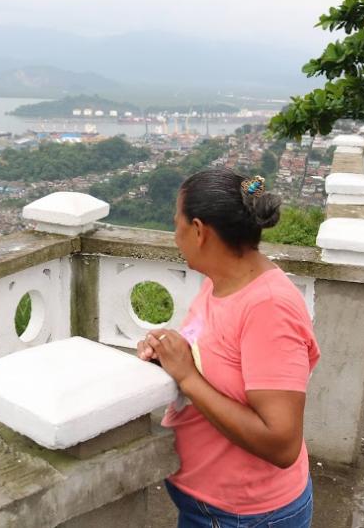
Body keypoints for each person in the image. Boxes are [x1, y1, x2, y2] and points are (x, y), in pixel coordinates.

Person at [137, 168, 320, 528]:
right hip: (209, 506)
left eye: (177, 224)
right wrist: (169, 357)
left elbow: (281, 444)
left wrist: (188, 378)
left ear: (200, 231)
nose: (175, 236)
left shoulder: (268, 307)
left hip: (247, 516)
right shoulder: (219, 284)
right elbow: (215, 363)